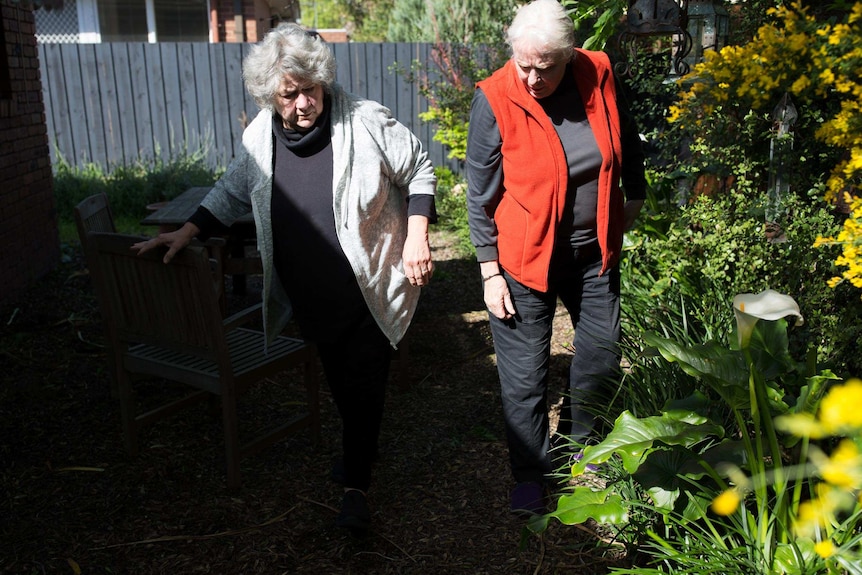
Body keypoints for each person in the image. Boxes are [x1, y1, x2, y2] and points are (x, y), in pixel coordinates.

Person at [133, 23, 437, 533]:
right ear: (270, 97)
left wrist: (416, 235)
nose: (303, 104)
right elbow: (231, 191)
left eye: (310, 90)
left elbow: (420, 166)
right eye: (289, 95)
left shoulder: (363, 121)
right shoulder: (258, 136)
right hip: (309, 294)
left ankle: (356, 490)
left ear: (323, 82)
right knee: (342, 380)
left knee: (364, 382)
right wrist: (185, 232)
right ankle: (361, 446)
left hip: (369, 286)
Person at [465, 0, 646, 515]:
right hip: (524, 261)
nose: (532, 78)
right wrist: (488, 270)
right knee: (525, 377)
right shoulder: (495, 98)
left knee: (601, 358)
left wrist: (634, 193)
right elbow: (479, 193)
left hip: (593, 254)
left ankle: (572, 447)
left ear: (569, 57)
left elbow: (623, 137)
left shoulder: (599, 72)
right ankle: (528, 472)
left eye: (545, 67)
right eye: (524, 64)